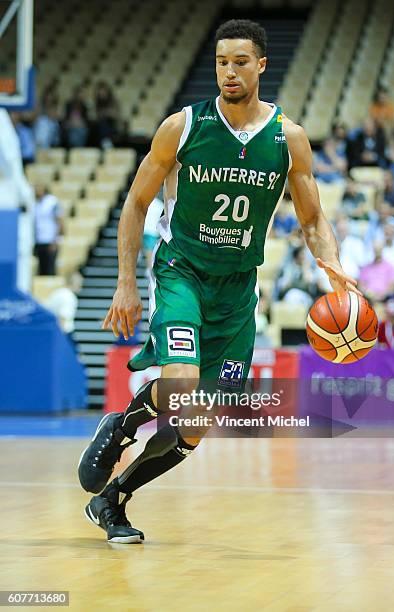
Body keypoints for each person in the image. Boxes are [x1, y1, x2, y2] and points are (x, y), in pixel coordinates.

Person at [77, 19, 360, 544]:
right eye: (221, 62)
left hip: (236, 290)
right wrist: (125, 282)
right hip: (182, 271)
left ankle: (112, 501)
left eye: (240, 62)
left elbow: (314, 218)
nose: (229, 72)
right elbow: (137, 201)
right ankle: (121, 424)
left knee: (193, 424)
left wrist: (332, 265)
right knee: (181, 386)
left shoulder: (288, 138)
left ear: (261, 67)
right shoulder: (182, 126)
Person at [34, 184, 64, 275]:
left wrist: (56, 240)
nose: (35, 190)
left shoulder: (52, 202)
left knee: (50, 269)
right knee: (41, 270)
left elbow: (60, 221)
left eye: (38, 188)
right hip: (39, 240)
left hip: (50, 241)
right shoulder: (35, 203)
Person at [45, 273, 82, 344]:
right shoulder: (69, 297)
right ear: (74, 284)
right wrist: (60, 340)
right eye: (79, 284)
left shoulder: (58, 292)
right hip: (64, 333)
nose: (80, 287)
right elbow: (63, 318)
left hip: (54, 331)